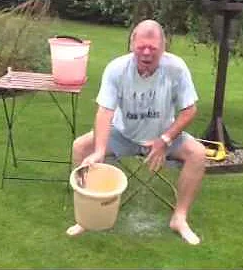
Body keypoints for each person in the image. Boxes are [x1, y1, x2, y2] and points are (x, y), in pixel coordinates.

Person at [66, 19, 206, 245]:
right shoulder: (117, 69)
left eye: (153, 48)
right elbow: (105, 111)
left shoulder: (176, 68)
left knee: (198, 154)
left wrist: (165, 139)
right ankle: (87, 216)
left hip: (164, 137)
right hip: (123, 135)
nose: (147, 53)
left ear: (164, 46)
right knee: (81, 147)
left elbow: (190, 110)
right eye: (142, 47)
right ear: (132, 44)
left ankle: (179, 218)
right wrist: (100, 150)